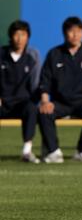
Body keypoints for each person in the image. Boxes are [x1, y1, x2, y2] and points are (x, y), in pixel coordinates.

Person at [38, 17, 82, 163]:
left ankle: (81, 152)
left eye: (79, 31)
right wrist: (45, 101)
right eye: (71, 31)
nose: (75, 35)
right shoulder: (54, 54)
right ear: (64, 33)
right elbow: (45, 81)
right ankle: (53, 152)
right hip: (60, 102)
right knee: (44, 112)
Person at [0, 20, 41, 163]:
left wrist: (39, 100)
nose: (19, 38)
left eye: (23, 34)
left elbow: (36, 84)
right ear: (11, 36)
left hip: (22, 103)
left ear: (28, 37)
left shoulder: (32, 56)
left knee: (31, 109)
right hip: (3, 102)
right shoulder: (1, 54)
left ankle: (27, 151)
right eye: (16, 34)